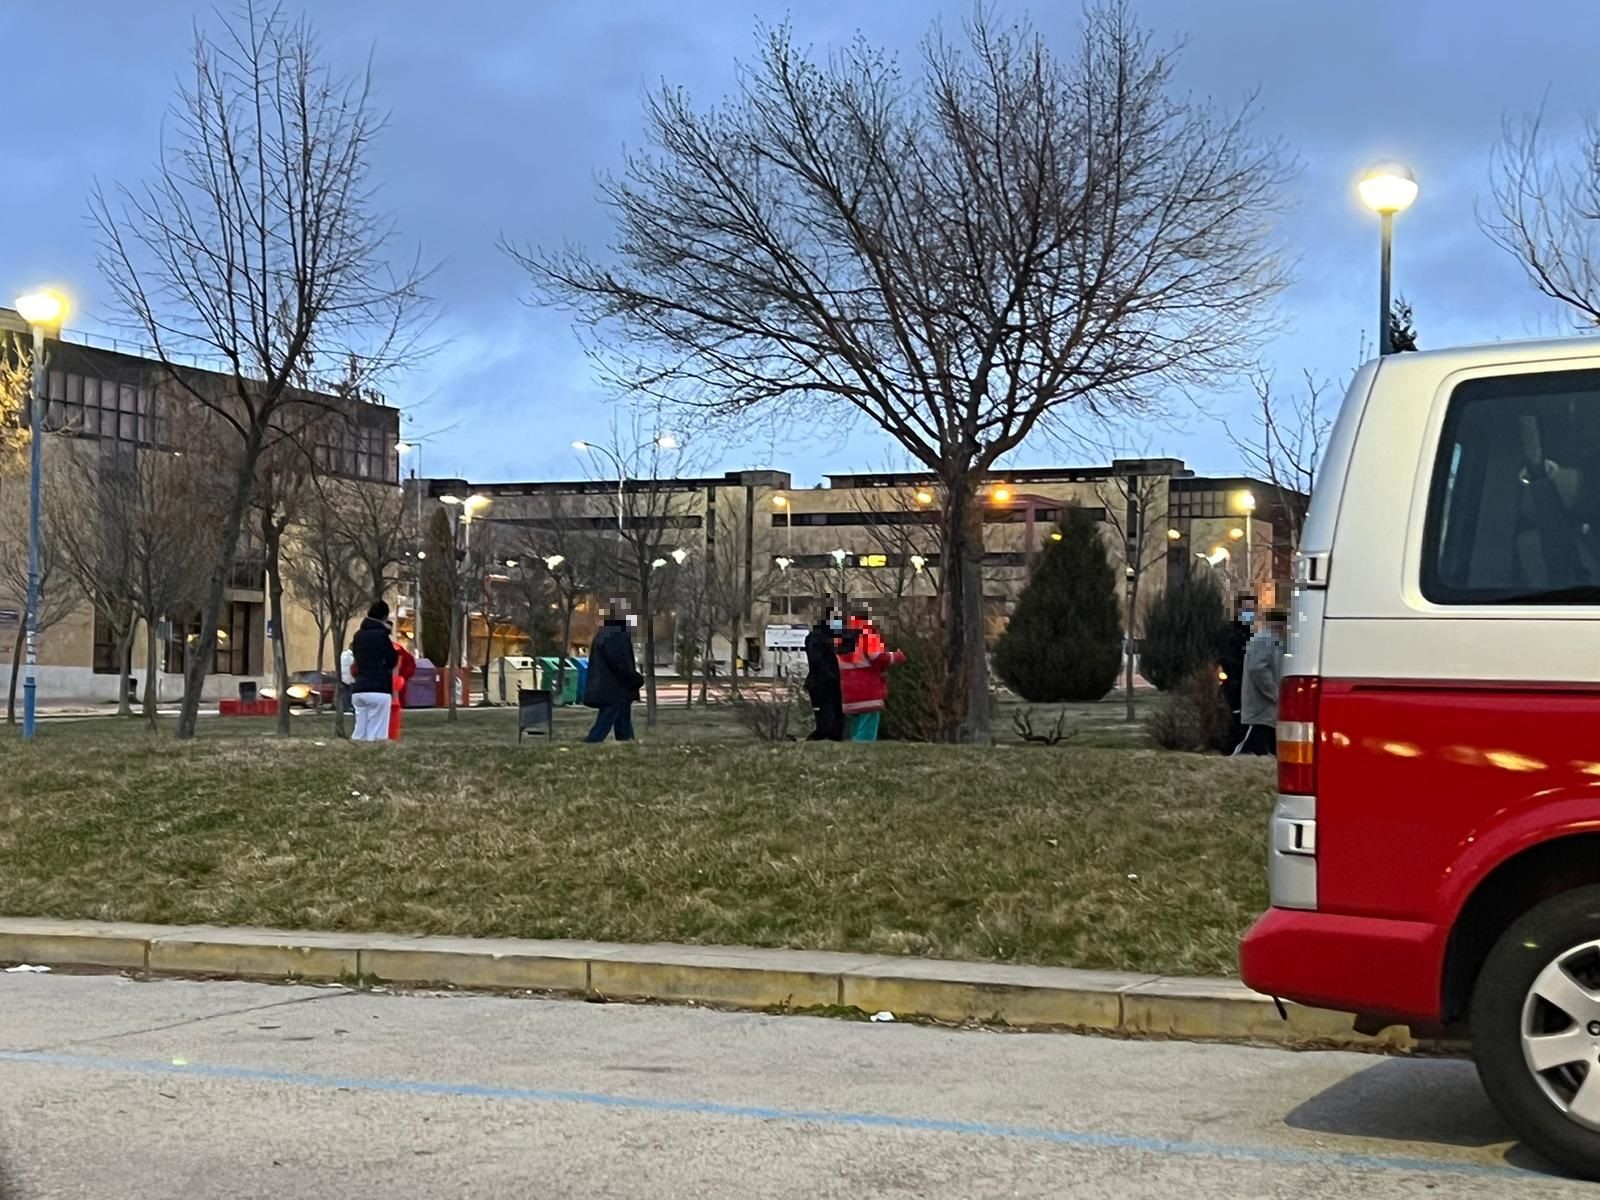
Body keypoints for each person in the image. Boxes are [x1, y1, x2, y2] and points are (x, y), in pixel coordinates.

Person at [583, 606, 644, 743]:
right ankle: (594, 740)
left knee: (620, 713)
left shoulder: (606, 633)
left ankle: (626, 739)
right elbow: (619, 662)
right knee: (611, 713)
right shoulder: (616, 635)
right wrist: (634, 678)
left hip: (609, 685)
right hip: (614, 686)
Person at [839, 618, 906, 742]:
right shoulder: (866, 640)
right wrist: (896, 656)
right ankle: (861, 754)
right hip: (868, 695)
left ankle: (852, 751)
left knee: (856, 727)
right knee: (866, 733)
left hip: (849, 695)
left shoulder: (841, 645)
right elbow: (880, 658)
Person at [1233, 610, 1286, 757]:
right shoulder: (1264, 640)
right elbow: (1257, 669)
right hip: (1261, 706)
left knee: (1263, 749)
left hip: (1267, 709)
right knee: (1248, 746)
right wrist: (1274, 693)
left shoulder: (1273, 641)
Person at [349, 601, 399, 742]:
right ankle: (373, 750)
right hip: (379, 688)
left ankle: (356, 750)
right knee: (376, 732)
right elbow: (391, 659)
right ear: (384, 617)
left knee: (360, 730)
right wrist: (388, 633)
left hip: (359, 689)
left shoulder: (358, 636)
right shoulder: (382, 636)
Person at [804, 609, 844, 741]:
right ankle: (829, 735)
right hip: (830, 681)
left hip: (818, 681)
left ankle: (824, 734)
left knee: (822, 713)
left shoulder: (813, 636)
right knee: (832, 713)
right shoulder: (830, 638)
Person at [388, 629, 417, 741]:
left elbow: (397, 666)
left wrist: (400, 678)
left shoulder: (396, 649)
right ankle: (393, 735)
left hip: (395, 681)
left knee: (393, 707)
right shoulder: (397, 648)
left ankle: (392, 735)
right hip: (397, 680)